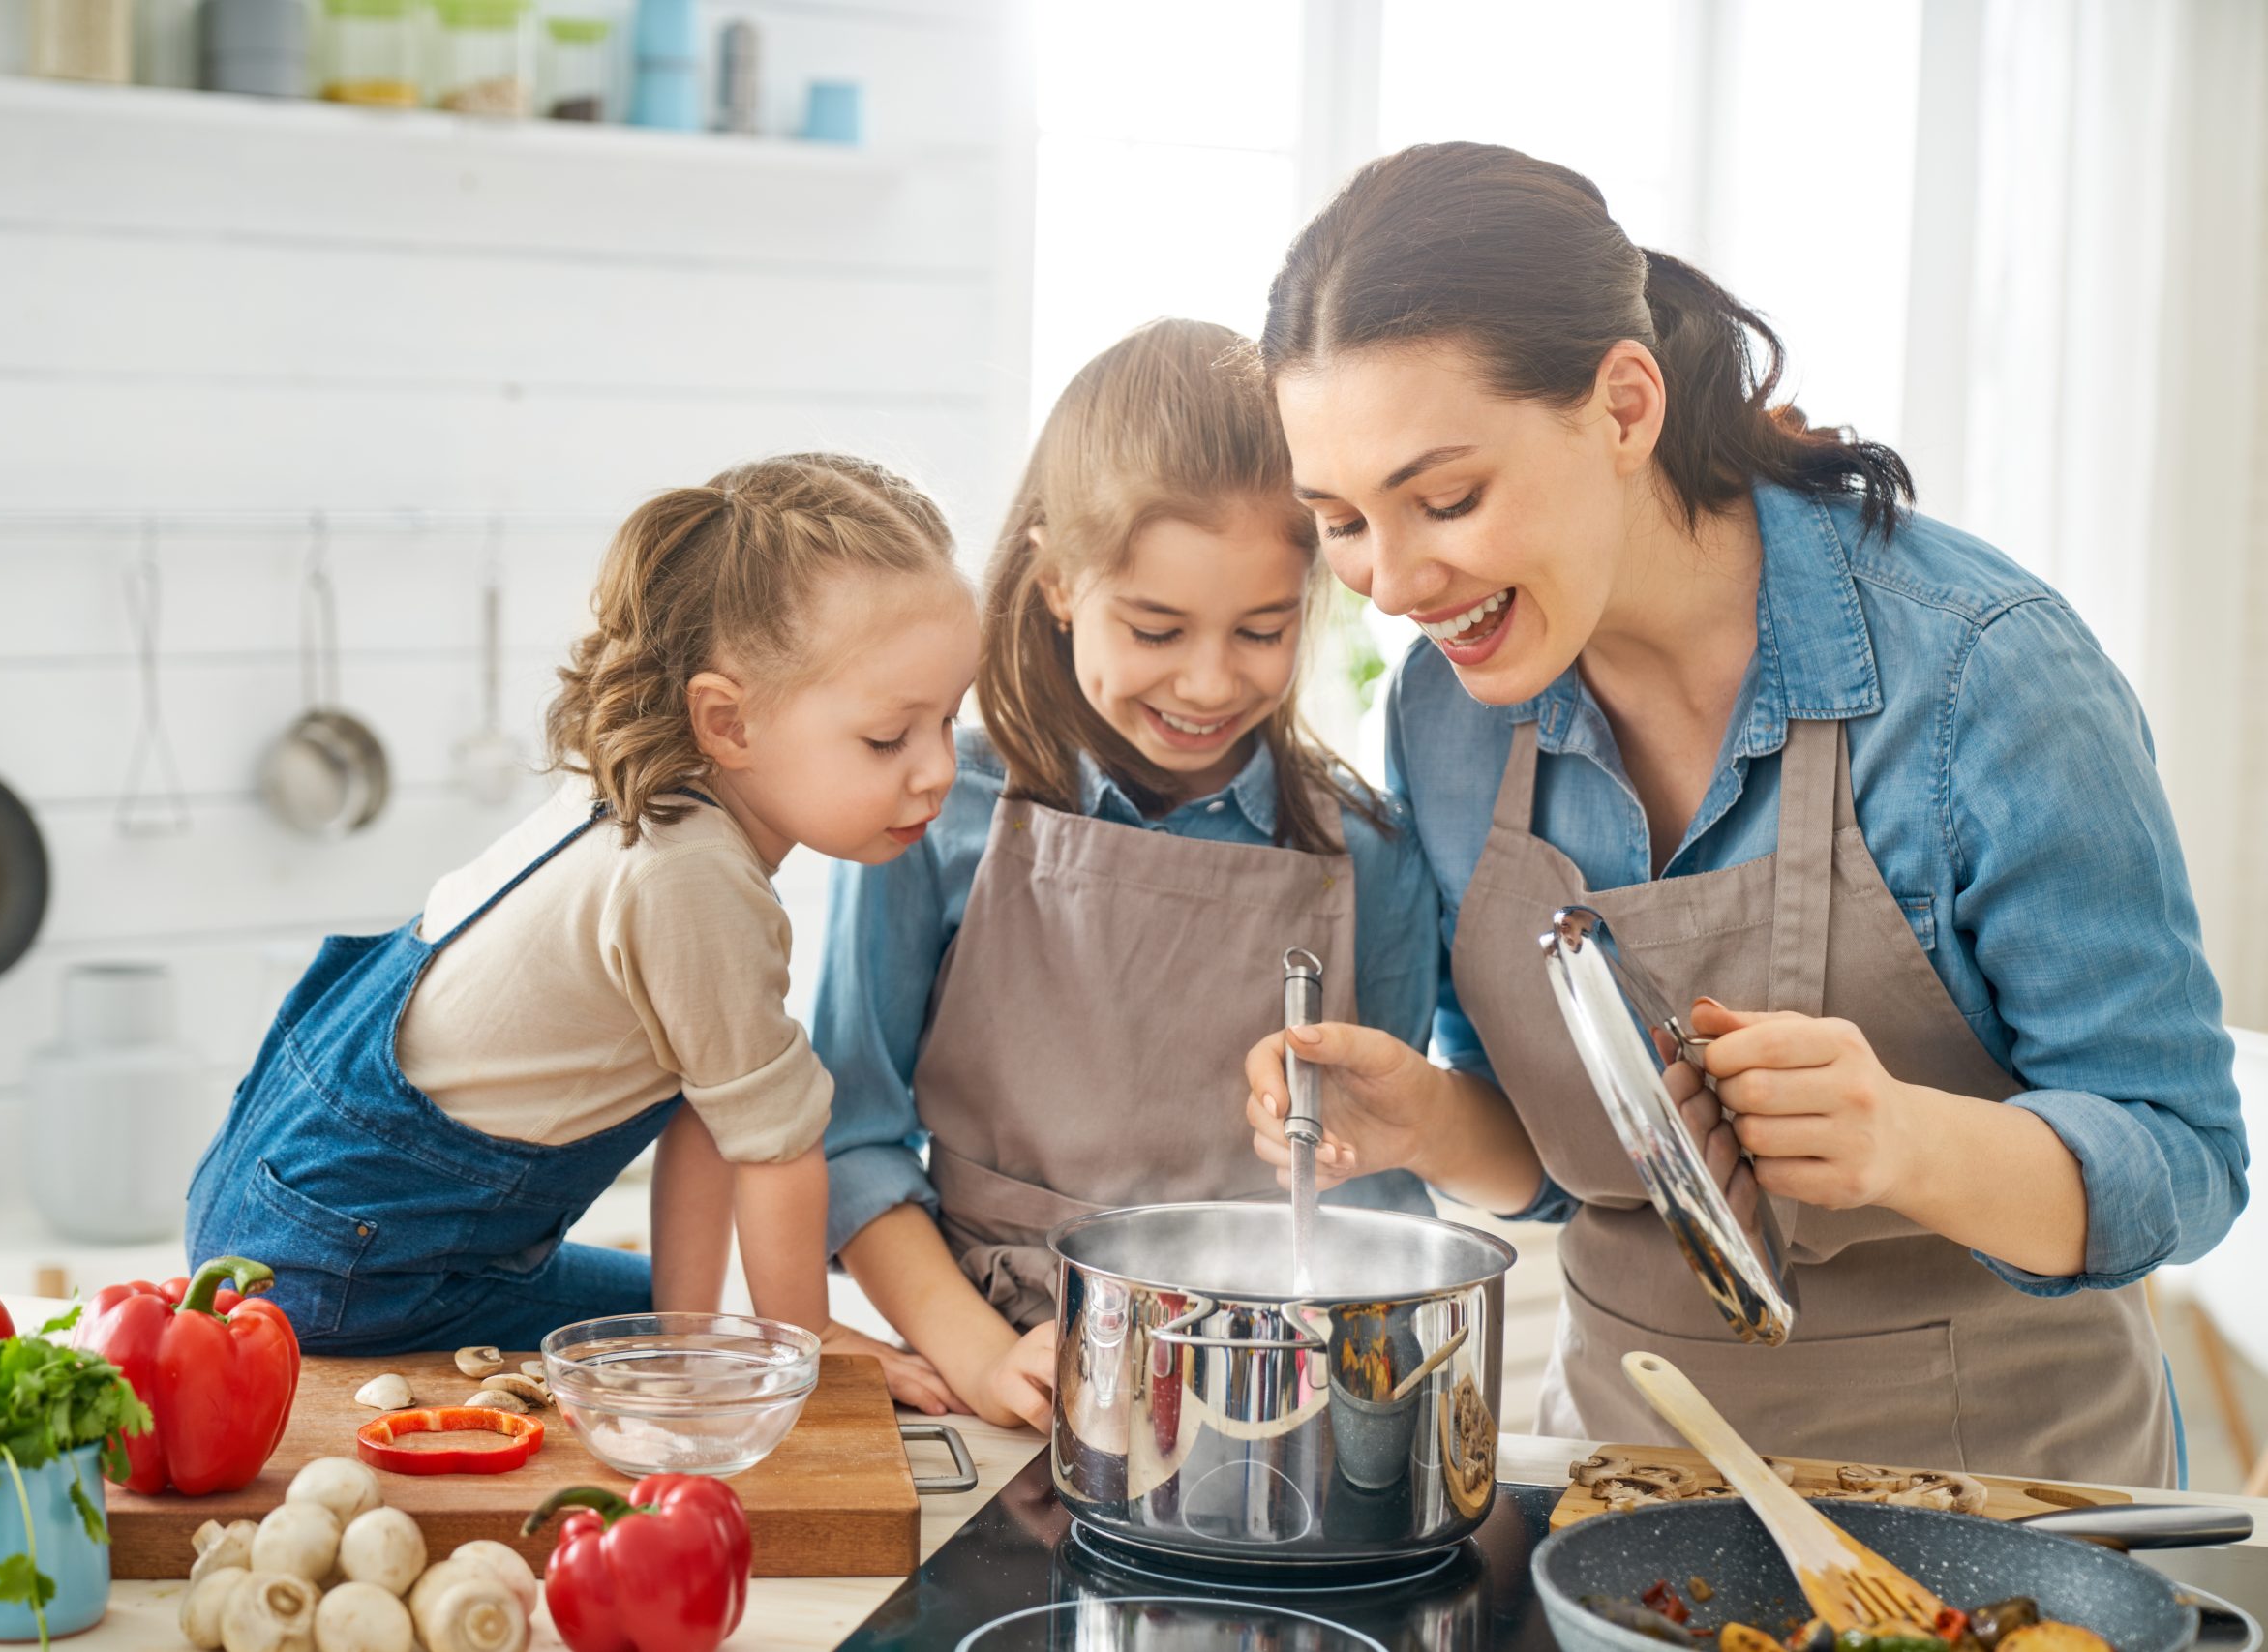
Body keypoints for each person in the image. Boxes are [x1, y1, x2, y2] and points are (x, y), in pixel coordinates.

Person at [1243, 143, 2247, 1486]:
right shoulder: (1448, 711)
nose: (1394, 580)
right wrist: (1427, 1119)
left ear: (1624, 404)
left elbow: (2184, 1156)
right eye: (1342, 520)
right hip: (1620, 1503)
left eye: (1445, 498)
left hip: (2001, 1511)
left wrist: (1908, 1138)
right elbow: (1565, 1169)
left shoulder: (1979, 676)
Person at [186, 452, 975, 1406]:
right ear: (727, 722)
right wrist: (800, 1344)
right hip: (349, 1267)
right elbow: (775, 1151)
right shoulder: (695, 880)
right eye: (890, 738)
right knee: (711, 1332)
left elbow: (715, 1111)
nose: (938, 769)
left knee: (680, 1321)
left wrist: (688, 1342)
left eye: (949, 720)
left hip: (281, 1211)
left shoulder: (642, 798)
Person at [815, 319, 1442, 1429]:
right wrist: (973, 1355)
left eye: (1261, 629)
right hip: (998, 1377)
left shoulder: (1370, 858)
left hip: (1269, 1397)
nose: (1207, 682)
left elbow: (1375, 1190)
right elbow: (850, 1136)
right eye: (1155, 627)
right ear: (1058, 582)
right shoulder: (931, 813)